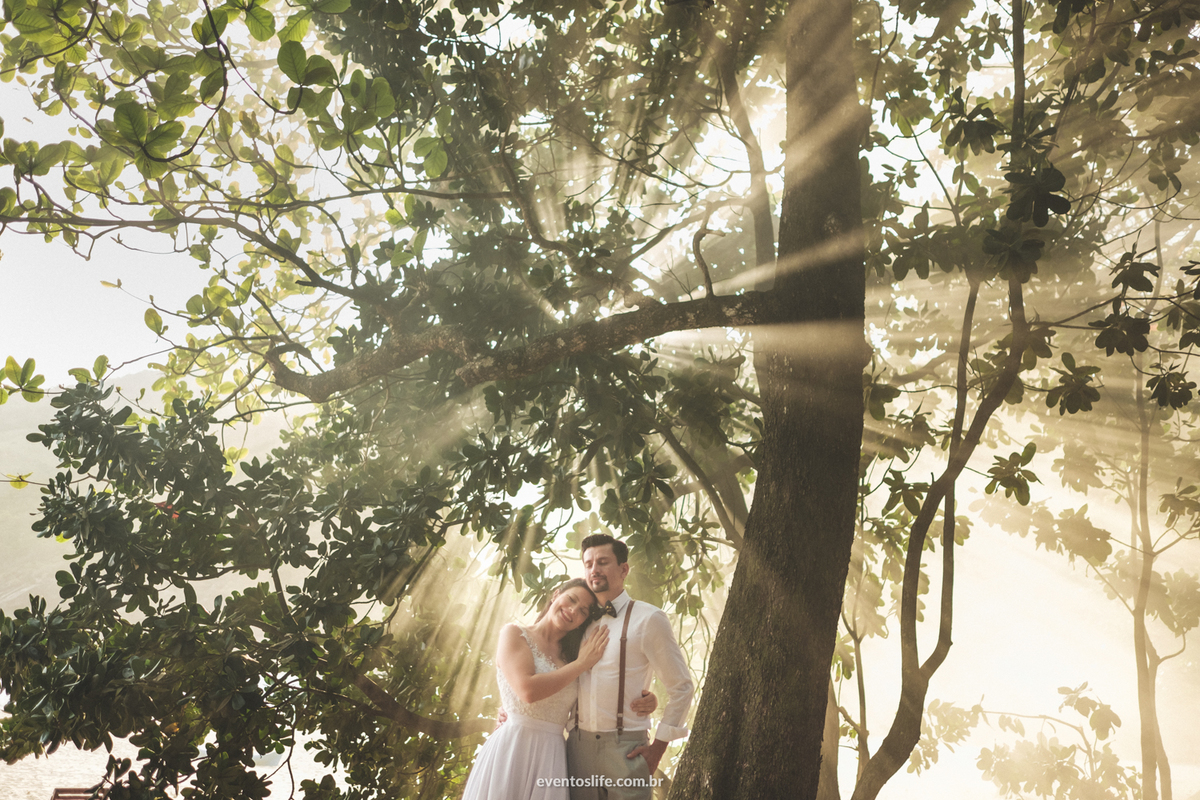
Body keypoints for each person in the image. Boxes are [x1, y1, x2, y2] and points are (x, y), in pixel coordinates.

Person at [462, 578, 657, 800]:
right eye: (571, 599)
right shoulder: (514, 634)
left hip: (551, 755)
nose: (573, 611)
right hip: (512, 749)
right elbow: (527, 691)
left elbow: (599, 691)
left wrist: (646, 697)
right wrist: (581, 664)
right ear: (556, 595)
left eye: (583, 611)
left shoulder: (575, 654)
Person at [566, 534, 694, 800]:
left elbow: (682, 688)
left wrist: (657, 750)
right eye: (588, 564)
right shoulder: (577, 620)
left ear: (624, 569)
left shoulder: (649, 618)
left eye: (602, 562)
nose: (594, 570)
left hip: (626, 747)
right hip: (577, 748)